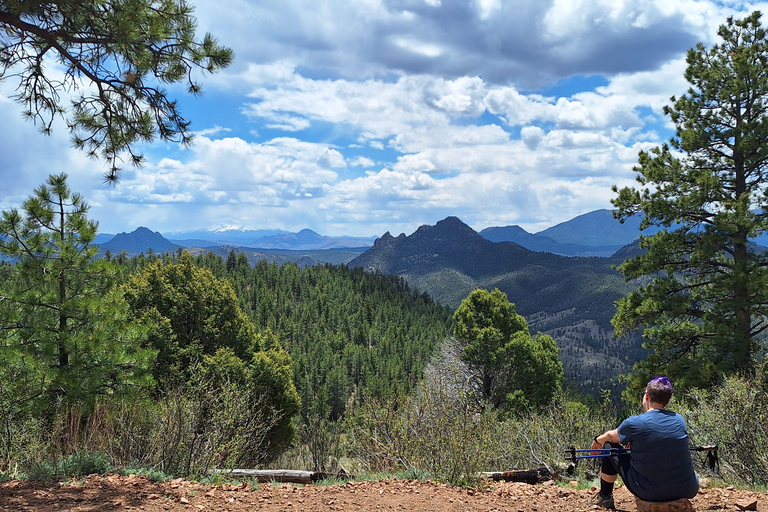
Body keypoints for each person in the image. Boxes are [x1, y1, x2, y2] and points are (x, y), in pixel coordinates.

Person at [589, 376, 699, 509]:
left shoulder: (635, 423)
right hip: (687, 488)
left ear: (647, 396)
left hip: (649, 491)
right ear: (667, 400)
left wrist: (597, 441)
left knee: (609, 447)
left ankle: (605, 497)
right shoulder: (679, 420)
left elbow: (610, 437)